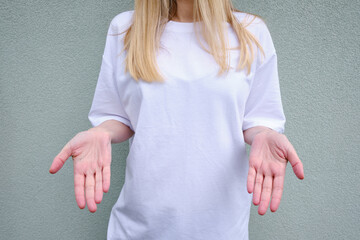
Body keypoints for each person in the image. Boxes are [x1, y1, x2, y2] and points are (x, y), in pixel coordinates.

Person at [49, 0, 304, 239]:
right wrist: (100, 133)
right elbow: (117, 114)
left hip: (221, 228)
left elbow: (259, 118)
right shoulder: (126, 29)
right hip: (139, 228)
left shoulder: (250, 32)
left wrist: (266, 134)